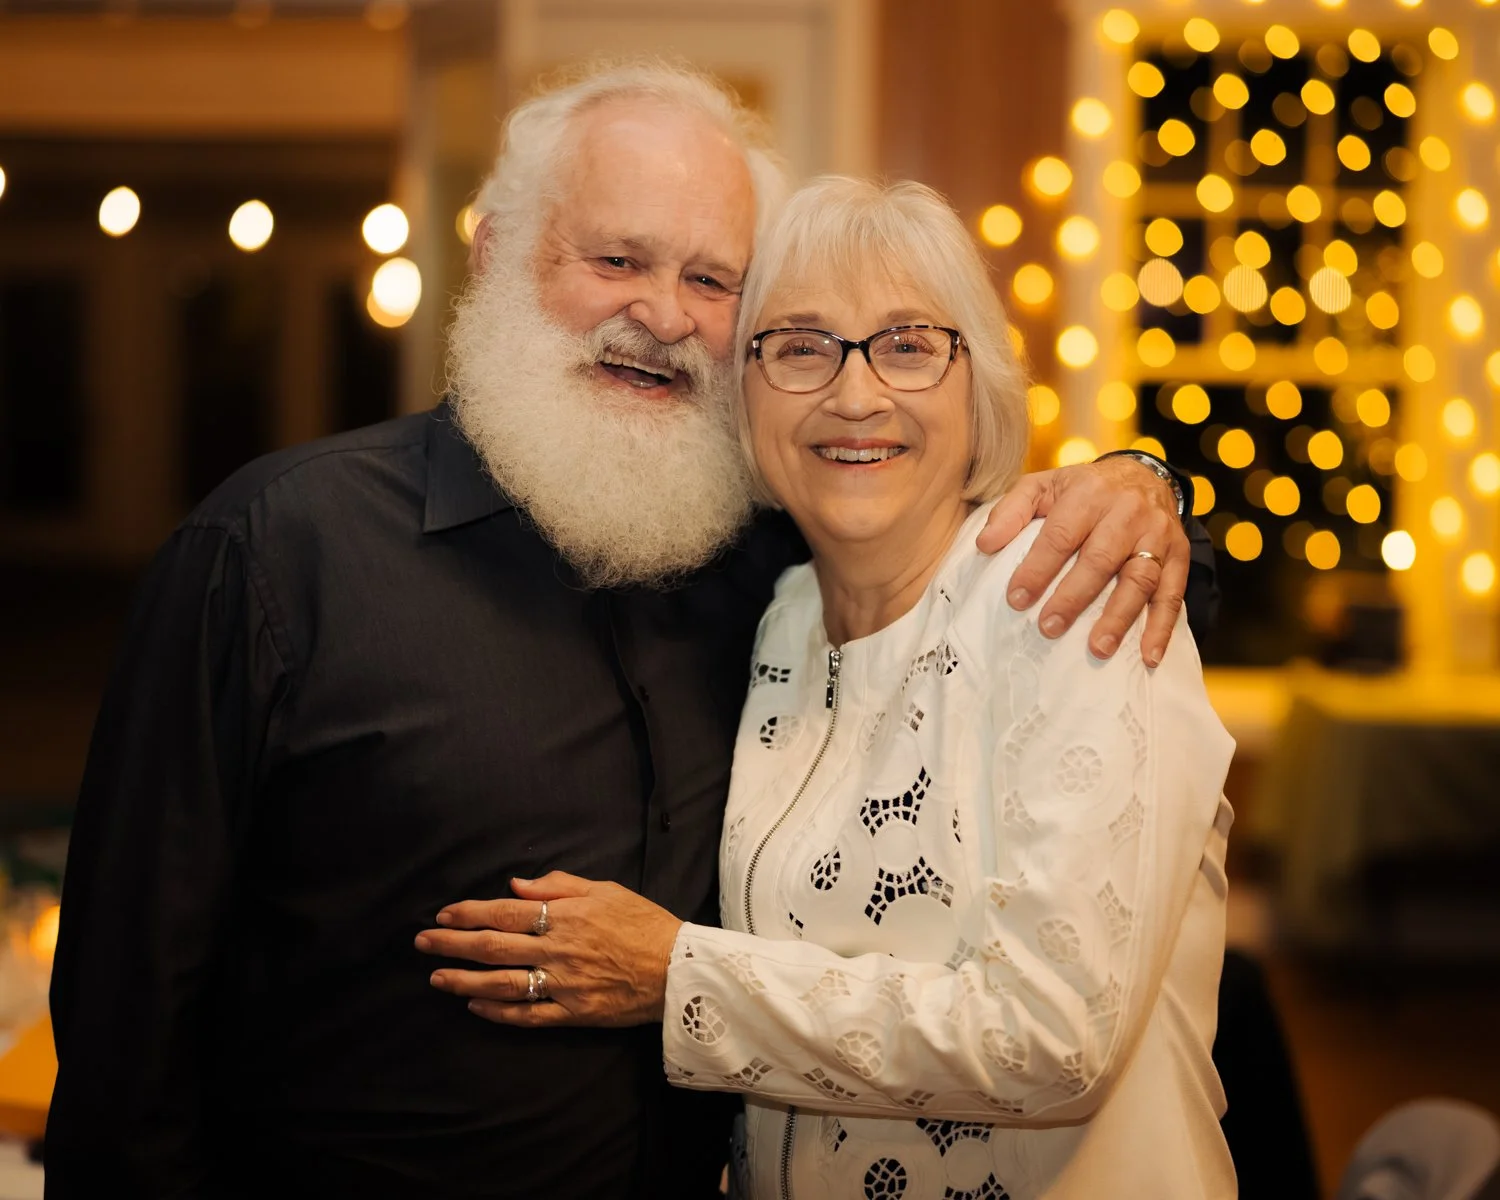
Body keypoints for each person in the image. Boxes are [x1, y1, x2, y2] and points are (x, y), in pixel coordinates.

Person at [48, 63, 1212, 1198]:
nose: (661, 315)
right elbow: (125, 1019)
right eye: (617, 259)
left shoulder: (775, 571)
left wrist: (1141, 477)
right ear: (501, 253)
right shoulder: (273, 552)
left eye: (714, 280)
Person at [419, 176, 1236, 1198]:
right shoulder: (773, 616)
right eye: (801, 347)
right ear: (743, 395)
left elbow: (1056, 1038)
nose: (855, 396)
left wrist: (679, 976)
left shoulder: (1071, 601)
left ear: (976, 387)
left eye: (906, 345)